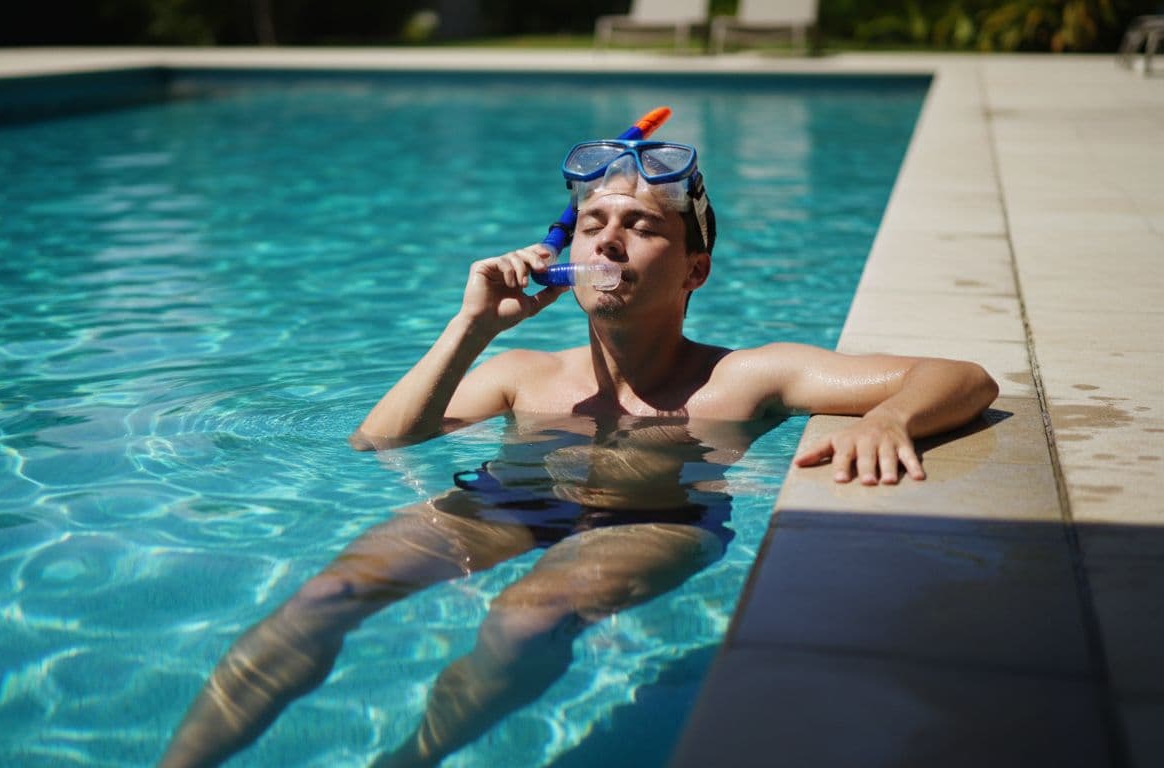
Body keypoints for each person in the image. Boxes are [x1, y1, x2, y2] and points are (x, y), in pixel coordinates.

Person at [159, 136, 998, 768]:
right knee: (325, 595)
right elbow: (378, 440)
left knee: (524, 619)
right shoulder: (526, 372)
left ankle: (411, 761)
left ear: (694, 268)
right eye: (593, 224)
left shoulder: (745, 378)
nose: (608, 240)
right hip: (506, 501)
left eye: (641, 226)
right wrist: (472, 326)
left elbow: (960, 377)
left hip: (659, 517)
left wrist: (892, 419)